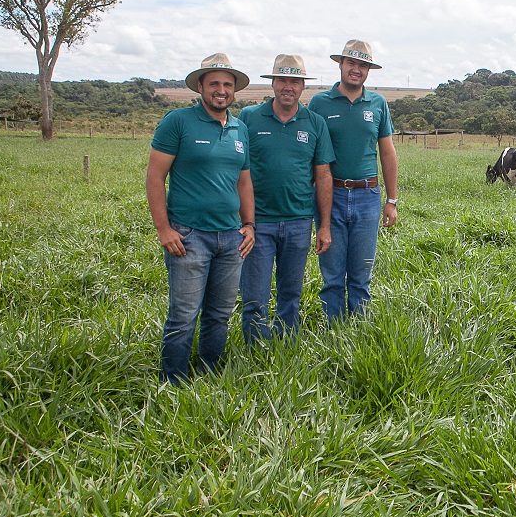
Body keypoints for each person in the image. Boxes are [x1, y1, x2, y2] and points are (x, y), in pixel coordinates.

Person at [146, 53, 256, 384]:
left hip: (230, 238)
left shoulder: (240, 129)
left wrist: (249, 225)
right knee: (183, 315)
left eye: (227, 84)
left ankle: (209, 376)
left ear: (234, 89)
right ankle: (173, 382)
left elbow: (244, 180)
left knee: (219, 315)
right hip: (189, 236)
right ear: (200, 87)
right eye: (214, 84)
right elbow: (155, 177)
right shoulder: (177, 122)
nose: (220, 90)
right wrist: (164, 229)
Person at [238, 54, 334, 345]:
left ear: (303, 86)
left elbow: (324, 175)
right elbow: (237, 170)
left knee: (291, 294)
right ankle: (255, 352)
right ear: (273, 83)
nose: (288, 87)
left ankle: (286, 348)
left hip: (298, 221)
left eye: (295, 81)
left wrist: (324, 225)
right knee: (254, 295)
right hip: (258, 224)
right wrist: (243, 220)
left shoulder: (314, 123)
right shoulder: (249, 117)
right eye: (282, 80)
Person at [307, 39, 399, 320]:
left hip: (367, 196)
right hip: (329, 196)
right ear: (341, 64)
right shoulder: (319, 103)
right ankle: (333, 332)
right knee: (332, 275)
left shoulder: (378, 103)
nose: (356, 70)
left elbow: (386, 152)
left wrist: (391, 200)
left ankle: (358, 334)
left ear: (368, 70)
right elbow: (309, 153)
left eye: (362, 65)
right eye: (351, 63)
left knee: (361, 275)